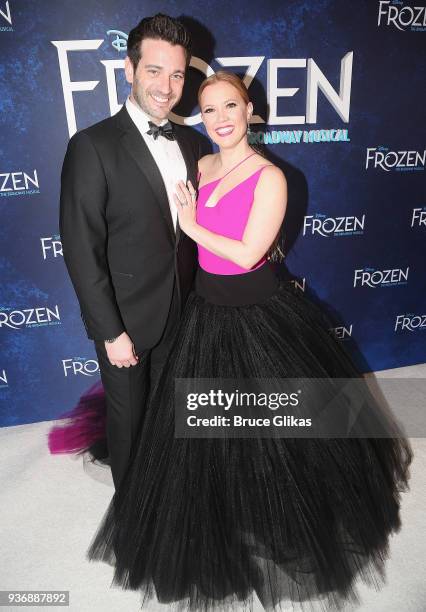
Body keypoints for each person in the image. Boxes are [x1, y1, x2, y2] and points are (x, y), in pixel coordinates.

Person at [90, 70, 412, 611]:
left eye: (229, 107)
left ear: (249, 111)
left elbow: (246, 254)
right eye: (209, 110)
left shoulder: (271, 178)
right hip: (205, 311)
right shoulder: (202, 163)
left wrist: (191, 225)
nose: (219, 119)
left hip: (259, 314)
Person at [48, 14, 211, 489]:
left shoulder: (193, 142)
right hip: (127, 322)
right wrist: (110, 332)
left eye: (177, 73)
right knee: (129, 423)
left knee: (173, 416)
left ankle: (170, 507)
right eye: (154, 70)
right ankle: (134, 522)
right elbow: (81, 249)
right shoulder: (92, 147)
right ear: (129, 68)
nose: (166, 86)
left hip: (185, 313)